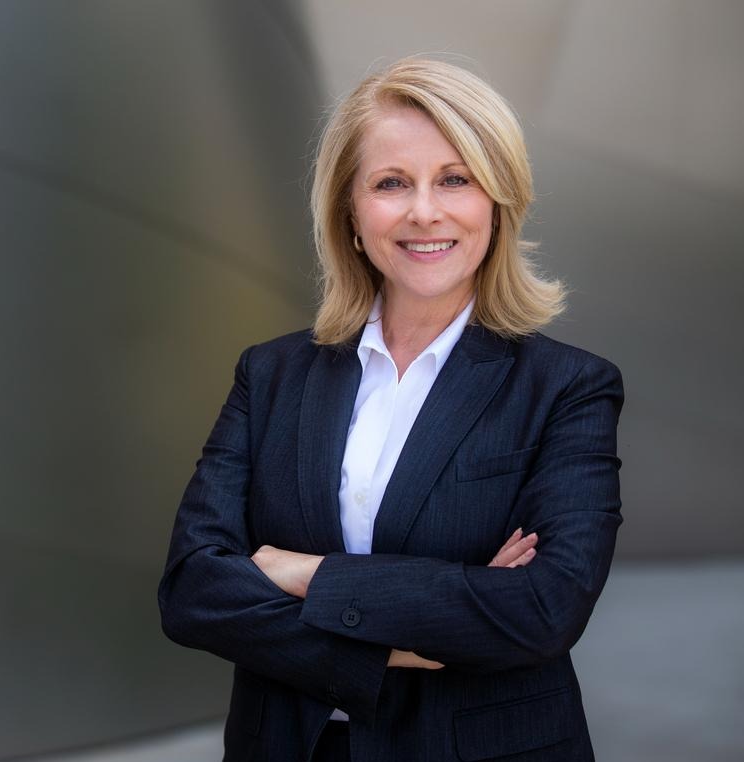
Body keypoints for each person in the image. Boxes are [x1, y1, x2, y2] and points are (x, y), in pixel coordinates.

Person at [158, 56, 623, 762]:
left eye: (456, 179)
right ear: (349, 210)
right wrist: (405, 643)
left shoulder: (567, 389)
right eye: (391, 183)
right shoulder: (272, 374)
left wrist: (299, 572)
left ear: (497, 202)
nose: (425, 211)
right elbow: (193, 590)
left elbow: (540, 611)